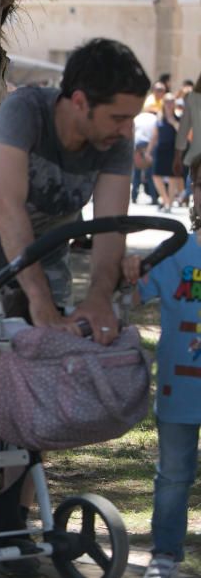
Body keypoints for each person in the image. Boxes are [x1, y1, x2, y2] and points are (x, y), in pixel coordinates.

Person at [0, 38, 149, 346]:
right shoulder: (25, 111)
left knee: (47, 355)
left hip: (47, 264)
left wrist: (98, 298)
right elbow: (7, 207)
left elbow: (111, 227)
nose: (128, 131)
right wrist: (39, 301)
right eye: (119, 118)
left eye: (132, 119)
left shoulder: (115, 139)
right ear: (79, 102)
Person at [120, 156, 201, 578]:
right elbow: (129, 299)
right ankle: (166, 553)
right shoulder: (177, 251)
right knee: (173, 475)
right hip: (180, 387)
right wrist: (126, 275)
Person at [149, 93, 184, 213]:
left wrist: (173, 122)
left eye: (172, 101)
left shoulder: (178, 117)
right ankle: (166, 199)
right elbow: (154, 135)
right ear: (163, 103)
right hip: (160, 149)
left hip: (173, 150)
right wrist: (148, 151)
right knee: (155, 175)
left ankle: (169, 204)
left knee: (172, 176)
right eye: (167, 102)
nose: (169, 104)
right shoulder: (159, 117)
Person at [133, 108, 160, 205]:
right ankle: (154, 197)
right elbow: (156, 134)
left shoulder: (137, 117)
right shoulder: (155, 118)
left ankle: (134, 196)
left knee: (136, 172)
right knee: (151, 174)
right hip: (149, 145)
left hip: (137, 144)